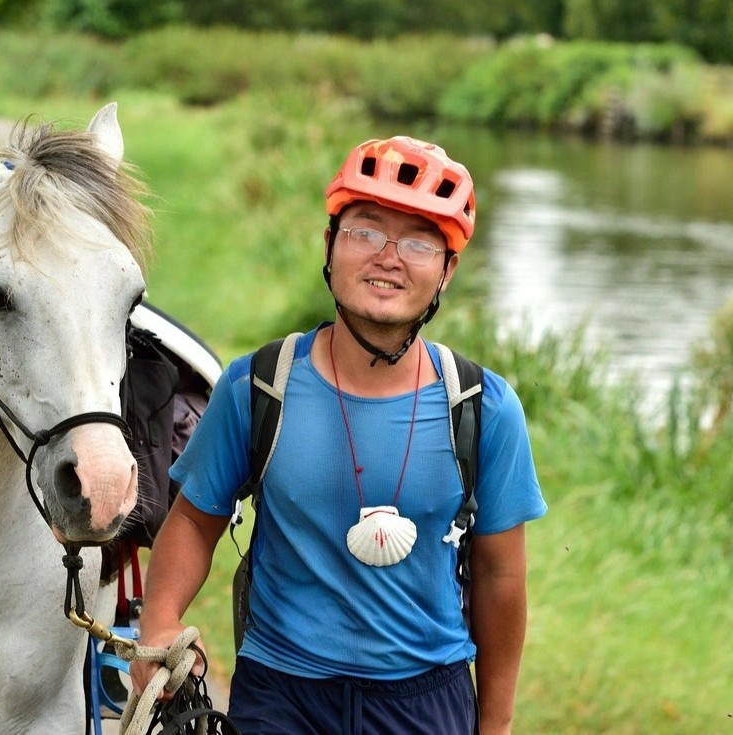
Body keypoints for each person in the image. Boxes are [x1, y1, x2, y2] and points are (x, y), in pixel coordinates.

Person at [130, 135, 547, 735]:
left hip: (425, 702)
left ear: (448, 270)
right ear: (330, 245)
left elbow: (499, 576)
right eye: (366, 231)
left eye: (418, 242)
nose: (388, 257)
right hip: (281, 695)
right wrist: (160, 622)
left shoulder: (484, 409)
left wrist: (497, 724)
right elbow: (196, 521)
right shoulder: (257, 387)